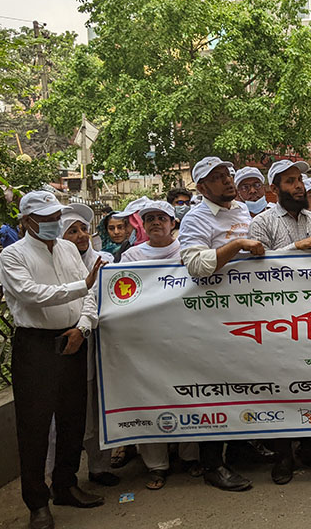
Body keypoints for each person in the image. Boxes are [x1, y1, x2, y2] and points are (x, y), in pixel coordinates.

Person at [0, 191, 106, 529]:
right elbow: (31, 295)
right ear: (27, 221)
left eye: (54, 217)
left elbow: (91, 294)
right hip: (36, 345)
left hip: (73, 338)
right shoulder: (12, 255)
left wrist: (83, 327)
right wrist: (81, 286)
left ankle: (66, 484)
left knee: (73, 416)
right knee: (34, 425)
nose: (52, 224)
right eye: (44, 219)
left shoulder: (68, 248)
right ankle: (37, 502)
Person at [248, 160, 311, 484]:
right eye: (290, 181)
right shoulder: (262, 223)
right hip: (279, 321)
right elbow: (253, 270)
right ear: (275, 190)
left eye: (299, 180)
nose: (299, 186)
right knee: (282, 387)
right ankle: (283, 453)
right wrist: (293, 249)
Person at [178, 156, 264, 491]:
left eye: (227, 175)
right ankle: (212, 463)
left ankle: (242, 448)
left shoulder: (241, 210)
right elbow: (196, 265)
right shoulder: (195, 219)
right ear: (201, 188)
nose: (228, 182)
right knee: (216, 390)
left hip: (247, 313)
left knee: (243, 383)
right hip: (213, 318)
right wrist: (239, 244)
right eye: (217, 178)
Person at [120, 201, 199, 489]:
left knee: (188, 394)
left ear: (172, 222)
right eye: (149, 219)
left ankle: (191, 457)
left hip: (185, 335)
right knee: (150, 397)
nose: (156, 223)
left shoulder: (186, 252)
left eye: (161, 218)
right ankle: (156, 465)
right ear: (142, 224)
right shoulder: (131, 256)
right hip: (147, 339)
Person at [59, 204, 119, 488]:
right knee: (72, 411)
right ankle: (59, 477)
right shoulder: (58, 263)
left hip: (101, 341)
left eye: (84, 229)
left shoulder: (105, 258)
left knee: (101, 405)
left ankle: (100, 467)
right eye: (72, 231)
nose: (81, 235)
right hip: (72, 339)